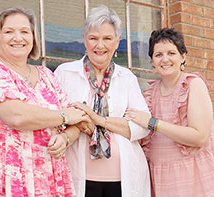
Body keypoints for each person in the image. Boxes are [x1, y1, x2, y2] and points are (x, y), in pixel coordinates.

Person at [0, 7, 87, 197]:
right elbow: (16, 116)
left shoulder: (47, 75)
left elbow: (78, 121)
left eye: (25, 31)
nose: (18, 38)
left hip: (50, 180)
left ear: (33, 39)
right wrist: (64, 116)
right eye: (9, 31)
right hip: (7, 180)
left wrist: (66, 138)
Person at [54, 5, 151, 197]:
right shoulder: (65, 73)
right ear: (84, 40)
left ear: (117, 42)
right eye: (93, 38)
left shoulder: (127, 78)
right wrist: (120, 122)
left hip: (123, 180)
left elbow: (143, 125)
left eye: (107, 38)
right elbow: (54, 118)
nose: (100, 45)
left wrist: (99, 120)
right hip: (78, 177)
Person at [125, 28, 214, 196]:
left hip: (190, 179)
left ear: (183, 57)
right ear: (152, 61)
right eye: (158, 55)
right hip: (158, 179)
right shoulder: (149, 93)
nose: (165, 59)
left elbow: (199, 136)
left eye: (171, 53)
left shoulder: (193, 85)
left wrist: (153, 123)